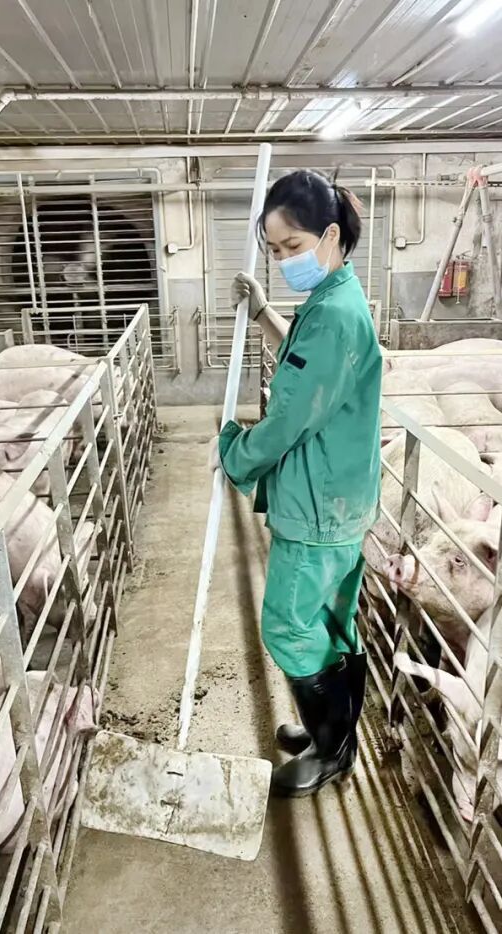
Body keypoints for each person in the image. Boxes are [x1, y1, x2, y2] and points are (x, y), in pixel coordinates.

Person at [210, 169, 382, 797]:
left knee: (287, 624)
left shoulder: (333, 315)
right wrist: (263, 313)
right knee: (331, 622)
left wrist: (235, 452)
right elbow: (309, 372)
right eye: (275, 250)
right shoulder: (336, 297)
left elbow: (288, 418)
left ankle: (331, 749)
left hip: (317, 507)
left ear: (330, 235)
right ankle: (333, 737)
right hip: (339, 499)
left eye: (292, 246)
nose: (284, 260)